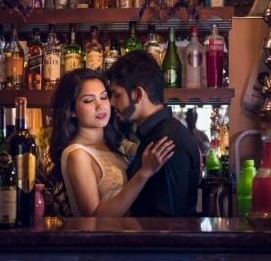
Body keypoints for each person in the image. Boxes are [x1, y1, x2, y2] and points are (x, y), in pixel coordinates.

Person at [48, 69, 175, 217]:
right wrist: (144, 173)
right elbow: (95, 218)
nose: (100, 106)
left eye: (103, 97)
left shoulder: (117, 146)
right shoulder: (77, 155)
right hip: (105, 240)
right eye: (89, 100)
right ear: (71, 110)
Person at [106, 50, 201, 217]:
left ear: (138, 94)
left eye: (116, 94)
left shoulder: (167, 142)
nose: (111, 102)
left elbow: (167, 223)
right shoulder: (157, 134)